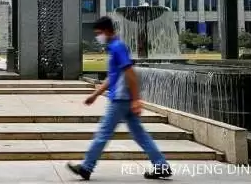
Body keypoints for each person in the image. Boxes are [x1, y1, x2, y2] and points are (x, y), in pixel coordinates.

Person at [67, 16, 172, 180]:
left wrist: (136, 99)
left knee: (103, 133)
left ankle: (86, 167)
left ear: (107, 31)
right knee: (140, 135)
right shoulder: (114, 47)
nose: (98, 37)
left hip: (120, 100)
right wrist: (95, 95)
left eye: (99, 33)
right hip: (124, 99)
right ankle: (161, 165)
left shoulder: (117, 47)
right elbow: (113, 77)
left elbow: (130, 73)